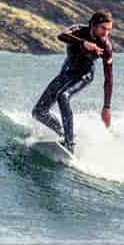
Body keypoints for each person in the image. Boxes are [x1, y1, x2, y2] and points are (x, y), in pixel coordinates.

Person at [33, 10, 115, 152]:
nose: (106, 33)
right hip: (66, 73)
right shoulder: (78, 30)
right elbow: (61, 36)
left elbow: (109, 78)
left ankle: (69, 143)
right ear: (93, 25)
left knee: (63, 96)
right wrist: (84, 43)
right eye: (103, 28)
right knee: (39, 112)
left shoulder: (106, 46)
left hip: (84, 75)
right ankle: (64, 133)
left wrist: (106, 107)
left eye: (109, 30)